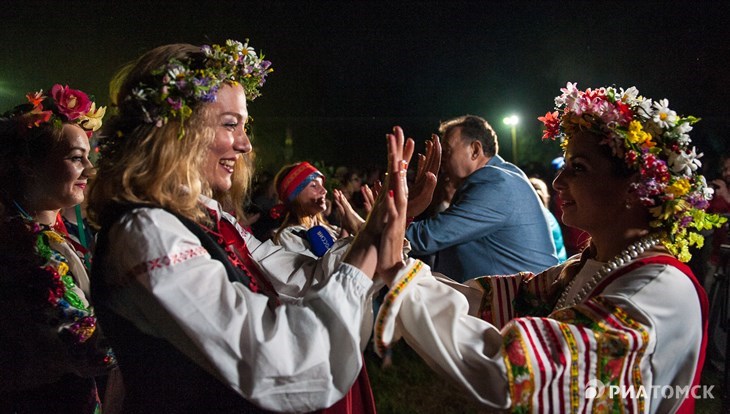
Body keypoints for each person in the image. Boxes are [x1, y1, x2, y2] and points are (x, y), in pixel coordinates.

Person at [86, 39, 412, 413]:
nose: (244, 145)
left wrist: (376, 233)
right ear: (176, 130)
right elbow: (276, 359)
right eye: (230, 125)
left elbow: (296, 278)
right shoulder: (146, 232)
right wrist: (371, 238)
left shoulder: (205, 219)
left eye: (244, 126)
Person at [373, 83, 725, 413]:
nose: (558, 182)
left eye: (579, 168)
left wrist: (399, 270)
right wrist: (399, 266)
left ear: (634, 187)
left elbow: (514, 371)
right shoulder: (593, 263)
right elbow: (501, 301)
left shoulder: (657, 291)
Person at [0, 85, 117, 413]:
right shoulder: (25, 248)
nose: (90, 171)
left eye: (88, 158)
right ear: (27, 164)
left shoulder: (48, 236)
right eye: (76, 158)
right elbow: (95, 353)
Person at [405, 115, 558, 282]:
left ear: (475, 150)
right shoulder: (502, 175)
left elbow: (428, 236)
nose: (441, 161)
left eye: (447, 152)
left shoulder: (495, 183)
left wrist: (379, 226)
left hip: (520, 303)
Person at [529, 176, 567, 262]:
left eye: (537, 188)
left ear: (548, 197)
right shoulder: (549, 217)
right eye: (530, 188)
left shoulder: (541, 216)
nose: (535, 192)